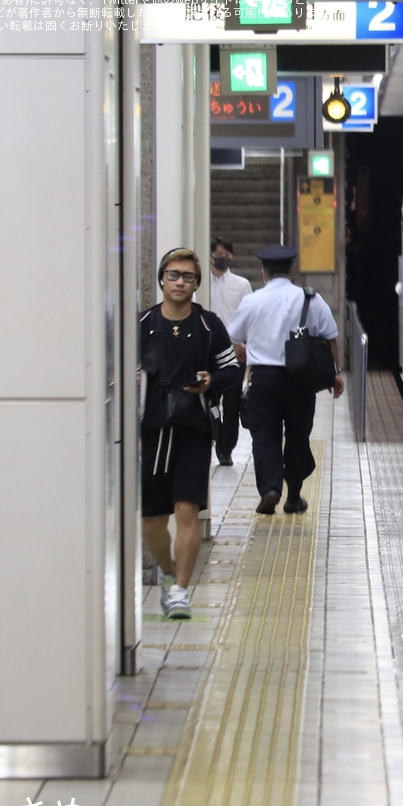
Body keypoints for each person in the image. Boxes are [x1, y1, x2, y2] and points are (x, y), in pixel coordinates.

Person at [139, 248, 241, 619]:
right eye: (173, 275)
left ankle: (181, 590)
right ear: (162, 278)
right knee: (152, 518)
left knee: (187, 508)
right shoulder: (143, 324)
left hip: (194, 429)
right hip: (152, 431)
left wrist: (212, 379)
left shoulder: (209, 325)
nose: (180, 282)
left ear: (198, 284)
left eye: (188, 277)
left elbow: (232, 370)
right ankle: (166, 573)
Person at [226, 244, 344, 515]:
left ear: (263, 272)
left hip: (263, 379)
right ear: (292, 271)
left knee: (264, 435)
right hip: (300, 379)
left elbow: (232, 338)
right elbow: (330, 338)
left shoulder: (252, 301)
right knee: (298, 434)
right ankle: (293, 496)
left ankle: (270, 489)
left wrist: (245, 350)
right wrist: (333, 374)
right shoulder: (310, 299)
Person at [207, 237, 254, 465]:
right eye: (219, 254)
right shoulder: (202, 283)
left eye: (227, 254)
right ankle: (213, 435)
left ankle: (226, 448)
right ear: (210, 256)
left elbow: (249, 318)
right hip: (208, 352)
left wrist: (246, 346)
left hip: (236, 351)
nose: (223, 258)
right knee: (211, 400)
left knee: (232, 402)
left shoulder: (241, 285)